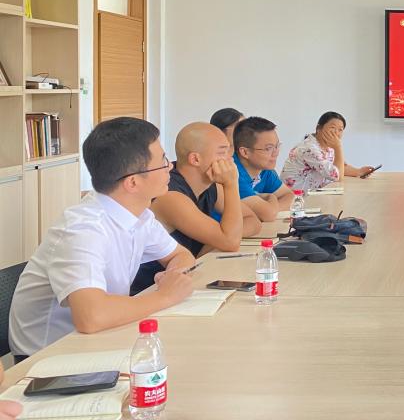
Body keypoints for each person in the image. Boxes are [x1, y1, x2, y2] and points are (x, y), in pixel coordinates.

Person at [8, 117, 195, 359]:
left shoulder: (139, 215)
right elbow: (91, 317)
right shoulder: (83, 229)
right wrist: (165, 295)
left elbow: (181, 255)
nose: (170, 167)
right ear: (133, 182)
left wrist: (174, 276)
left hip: (101, 340)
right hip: (48, 359)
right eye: (162, 162)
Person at [131, 122, 262, 294]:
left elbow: (253, 221)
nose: (230, 159)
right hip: (149, 291)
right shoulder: (170, 195)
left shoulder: (210, 185)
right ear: (195, 159)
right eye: (222, 152)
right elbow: (231, 242)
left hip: (187, 281)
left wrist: (213, 241)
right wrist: (231, 184)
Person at [281, 111, 377, 192]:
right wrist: (338, 147)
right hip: (296, 200)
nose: (336, 133)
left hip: (313, 195)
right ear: (319, 128)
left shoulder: (328, 146)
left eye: (340, 130)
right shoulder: (309, 149)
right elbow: (337, 176)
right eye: (332, 128)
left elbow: (338, 167)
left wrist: (359, 171)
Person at [232, 116, 294, 222]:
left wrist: (272, 209)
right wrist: (271, 197)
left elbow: (289, 196)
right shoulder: (232, 172)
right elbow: (267, 214)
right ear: (245, 152)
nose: (276, 153)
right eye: (269, 148)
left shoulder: (264, 169)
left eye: (277, 146)